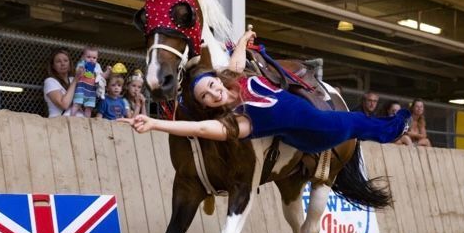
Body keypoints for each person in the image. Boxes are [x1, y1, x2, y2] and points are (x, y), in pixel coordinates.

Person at [121, 30, 410, 154]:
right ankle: (394, 129)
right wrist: (155, 123)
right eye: (205, 97)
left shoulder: (237, 80)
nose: (213, 94)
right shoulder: (239, 120)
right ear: (207, 106)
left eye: (211, 86)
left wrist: (244, 39)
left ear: (218, 81)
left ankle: (391, 126)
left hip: (298, 129)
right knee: (355, 122)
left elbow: (235, 64)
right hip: (318, 132)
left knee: (356, 122)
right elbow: (199, 128)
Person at [43, 47, 83, 118]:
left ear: (70, 63)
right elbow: (64, 105)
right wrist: (75, 81)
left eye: (66, 60)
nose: (63, 64)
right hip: (59, 121)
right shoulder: (50, 81)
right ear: (53, 66)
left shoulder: (72, 79)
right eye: (58, 61)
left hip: (78, 120)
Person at [71, 47, 110, 118]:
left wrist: (108, 71)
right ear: (83, 57)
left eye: (94, 58)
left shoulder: (97, 66)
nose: (91, 59)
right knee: (76, 104)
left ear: (97, 58)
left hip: (91, 91)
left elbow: (102, 76)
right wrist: (81, 70)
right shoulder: (82, 63)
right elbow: (77, 73)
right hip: (81, 89)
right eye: (88, 57)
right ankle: (71, 118)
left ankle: (87, 121)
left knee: (89, 108)